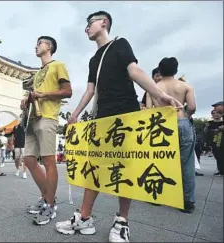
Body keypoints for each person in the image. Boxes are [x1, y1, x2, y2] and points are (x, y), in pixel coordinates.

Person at [55, 11, 182, 242]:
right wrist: (74, 114)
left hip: (125, 114)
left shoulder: (120, 44)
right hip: (102, 118)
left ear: (104, 23)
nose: (86, 28)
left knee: (125, 168)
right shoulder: (94, 59)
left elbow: (134, 72)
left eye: (90, 23)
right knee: (93, 166)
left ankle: (122, 221)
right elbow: (91, 90)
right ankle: (84, 218)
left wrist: (160, 95)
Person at [20, 36, 72, 225]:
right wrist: (27, 100)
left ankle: (50, 204)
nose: (36, 46)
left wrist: (43, 94)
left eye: (39, 43)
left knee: (49, 160)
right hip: (32, 118)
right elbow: (35, 94)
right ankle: (47, 197)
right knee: (29, 160)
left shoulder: (58, 65)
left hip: (48, 117)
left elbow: (68, 91)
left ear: (48, 46)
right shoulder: (37, 73)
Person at [147, 57, 196, 213]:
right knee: (186, 163)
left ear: (159, 71)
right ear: (175, 70)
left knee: (159, 162)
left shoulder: (152, 88)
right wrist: (185, 117)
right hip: (182, 123)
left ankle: (157, 196)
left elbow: (149, 111)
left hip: (160, 125)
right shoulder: (185, 86)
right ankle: (188, 202)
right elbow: (193, 107)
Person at [206, 105, 224, 175]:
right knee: (217, 156)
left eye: (217, 113)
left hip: (222, 141)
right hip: (214, 141)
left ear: (221, 113)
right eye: (213, 113)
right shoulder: (209, 123)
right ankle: (220, 169)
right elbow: (206, 132)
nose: (215, 114)